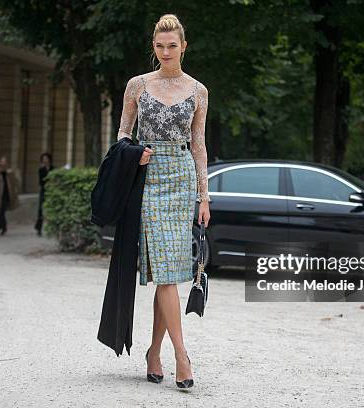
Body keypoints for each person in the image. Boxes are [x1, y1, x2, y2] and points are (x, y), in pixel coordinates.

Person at [116, 14, 210, 389]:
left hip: (182, 177)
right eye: (160, 46)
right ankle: (181, 356)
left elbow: (200, 145)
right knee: (168, 274)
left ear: (184, 47)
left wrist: (204, 196)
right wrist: (133, 151)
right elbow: (123, 131)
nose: (166, 52)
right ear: (153, 47)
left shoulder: (198, 90)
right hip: (149, 178)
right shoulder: (137, 85)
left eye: (173, 46)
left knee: (167, 273)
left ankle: (154, 352)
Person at [35, 152, 54, 236]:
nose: (45, 160)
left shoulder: (53, 168)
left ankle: (52, 229)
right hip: (44, 190)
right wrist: (47, 183)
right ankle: (38, 228)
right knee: (40, 209)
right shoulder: (41, 169)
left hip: (51, 191)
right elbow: (40, 181)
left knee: (51, 210)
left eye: (46, 159)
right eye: (43, 159)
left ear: (49, 160)